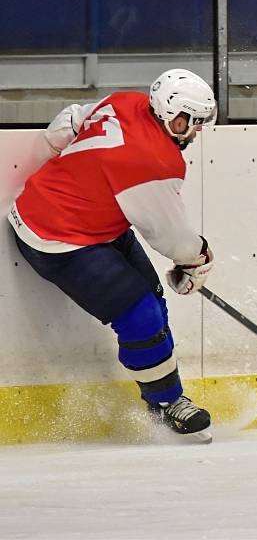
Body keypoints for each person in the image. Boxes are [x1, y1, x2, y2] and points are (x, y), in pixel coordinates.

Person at [8, 69, 217, 443]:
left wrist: (70, 173)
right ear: (174, 116)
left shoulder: (127, 101)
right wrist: (196, 259)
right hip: (58, 240)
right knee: (142, 314)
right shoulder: (155, 161)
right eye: (193, 124)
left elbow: (68, 122)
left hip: (87, 221)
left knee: (152, 300)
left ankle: (163, 394)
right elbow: (168, 235)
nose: (196, 132)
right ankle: (167, 405)